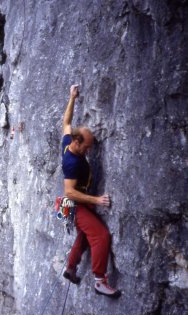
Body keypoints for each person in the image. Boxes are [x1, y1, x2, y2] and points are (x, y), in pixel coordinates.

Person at [60, 84, 121, 298]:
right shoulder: (72, 163)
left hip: (73, 206)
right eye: (87, 147)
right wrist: (96, 199)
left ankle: (70, 268)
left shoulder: (68, 140)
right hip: (75, 205)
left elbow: (66, 121)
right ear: (78, 142)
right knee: (101, 236)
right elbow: (69, 192)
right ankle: (100, 280)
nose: (89, 150)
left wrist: (72, 97)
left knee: (85, 236)